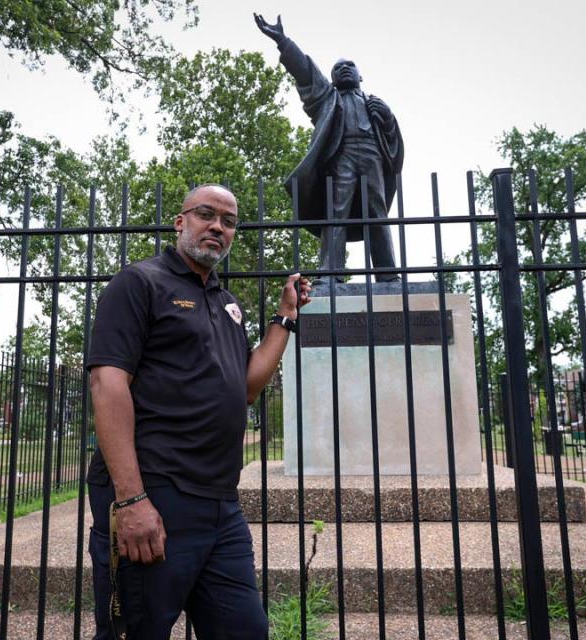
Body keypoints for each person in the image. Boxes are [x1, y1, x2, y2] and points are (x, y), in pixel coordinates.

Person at [86, 184, 312, 639]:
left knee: (245, 631)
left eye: (228, 222)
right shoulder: (140, 283)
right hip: (155, 492)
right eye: (207, 214)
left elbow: (245, 387)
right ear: (180, 221)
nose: (218, 227)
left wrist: (286, 315)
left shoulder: (226, 303)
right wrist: (131, 499)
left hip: (221, 505)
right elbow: (107, 384)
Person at [255, 13, 404, 282]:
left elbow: (393, 145)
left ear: (361, 75)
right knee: (336, 213)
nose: (344, 68)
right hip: (342, 155)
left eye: (350, 65)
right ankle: (331, 271)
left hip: (372, 155)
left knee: (377, 214)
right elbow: (306, 72)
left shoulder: (374, 103)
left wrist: (388, 117)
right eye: (337, 68)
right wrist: (283, 42)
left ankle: (388, 274)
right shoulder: (328, 98)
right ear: (332, 78)